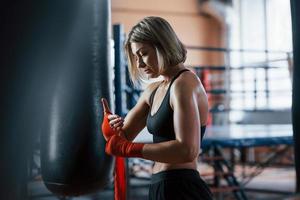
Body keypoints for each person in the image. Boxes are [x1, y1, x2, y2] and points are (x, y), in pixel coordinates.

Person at [101, 16, 213, 200]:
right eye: (135, 57)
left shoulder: (185, 83)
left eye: (143, 53)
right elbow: (122, 139)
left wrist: (129, 149)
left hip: (182, 187)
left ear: (163, 45)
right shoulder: (153, 90)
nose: (139, 64)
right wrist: (109, 127)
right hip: (159, 185)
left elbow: (188, 150)